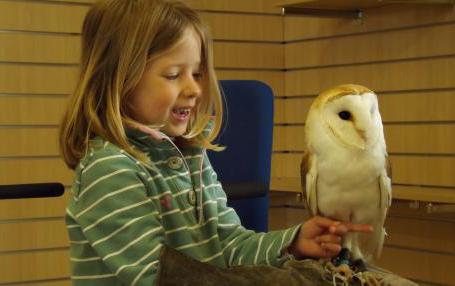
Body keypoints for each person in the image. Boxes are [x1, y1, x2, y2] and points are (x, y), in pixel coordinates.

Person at [59, 0, 373, 285]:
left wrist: (291, 242)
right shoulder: (109, 170)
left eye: (197, 74)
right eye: (172, 75)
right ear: (119, 78)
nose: (194, 89)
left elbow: (228, 246)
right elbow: (158, 276)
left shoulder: (192, 157)